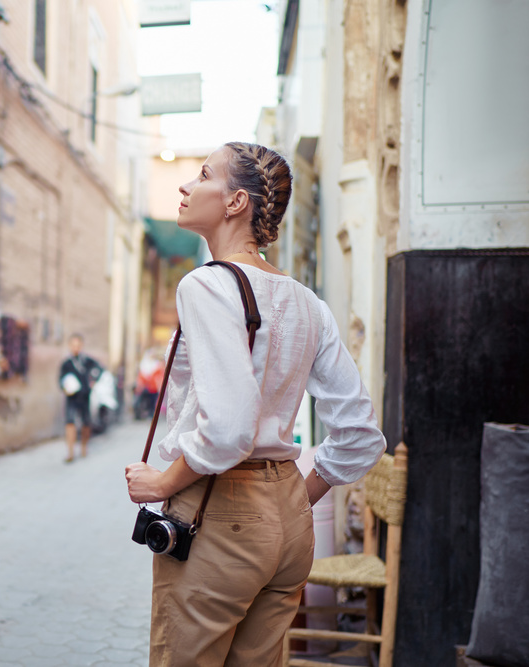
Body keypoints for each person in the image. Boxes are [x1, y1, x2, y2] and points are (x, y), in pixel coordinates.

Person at [124, 142, 387, 665]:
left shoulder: (206, 285)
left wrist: (162, 482)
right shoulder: (307, 301)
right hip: (289, 523)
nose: (184, 186)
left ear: (235, 202)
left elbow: (228, 427)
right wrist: (294, 500)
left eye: (201, 176)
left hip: (217, 512)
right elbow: (360, 435)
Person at [59, 333, 103, 462]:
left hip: (84, 396)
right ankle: (70, 452)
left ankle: (84, 446)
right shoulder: (66, 363)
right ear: (69, 346)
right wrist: (65, 386)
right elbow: (61, 380)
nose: (75, 348)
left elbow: (98, 369)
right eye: (73, 345)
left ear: (81, 346)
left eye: (78, 345)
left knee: (85, 423)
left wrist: (93, 380)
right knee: (70, 423)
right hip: (71, 398)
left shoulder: (87, 361)